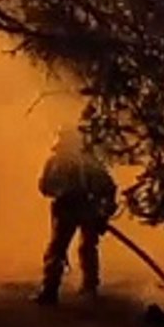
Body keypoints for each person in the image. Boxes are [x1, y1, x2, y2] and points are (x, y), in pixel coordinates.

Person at [34, 127, 118, 305]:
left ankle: (76, 288)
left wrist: (104, 211)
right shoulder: (65, 163)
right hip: (72, 209)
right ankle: (56, 289)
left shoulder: (86, 164)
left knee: (75, 248)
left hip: (82, 209)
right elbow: (44, 187)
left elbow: (108, 188)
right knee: (63, 249)